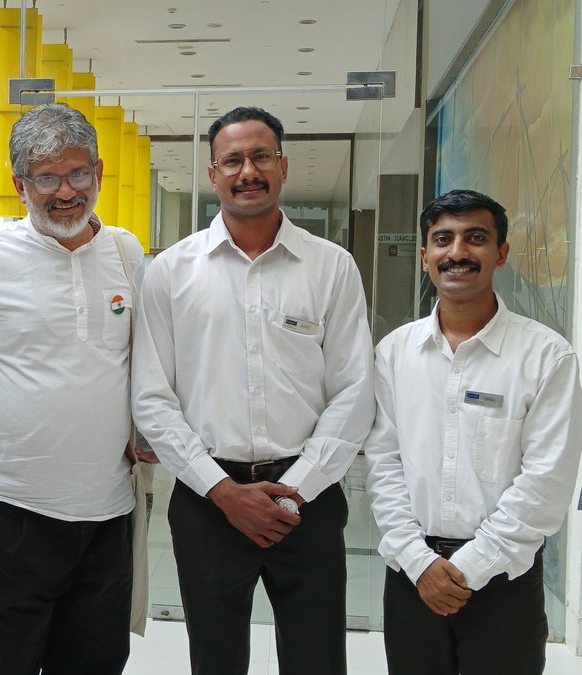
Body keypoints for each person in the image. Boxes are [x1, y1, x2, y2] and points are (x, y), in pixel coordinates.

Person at [131, 106, 375, 674]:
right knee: (215, 660)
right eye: (233, 160)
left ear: (283, 166)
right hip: (207, 500)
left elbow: (354, 390)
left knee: (317, 660)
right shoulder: (170, 271)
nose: (248, 171)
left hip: (308, 500)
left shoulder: (331, 267)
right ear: (213, 174)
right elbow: (151, 396)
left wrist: (295, 490)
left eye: (261, 157)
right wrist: (222, 491)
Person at [0, 102, 147, 675]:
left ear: (98, 173)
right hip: (11, 513)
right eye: (47, 178)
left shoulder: (127, 253)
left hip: (108, 514)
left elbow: (148, 360)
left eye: (78, 174)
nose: (65, 192)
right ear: (20, 185)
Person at [364, 189, 582, 674]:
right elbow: (383, 464)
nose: (457, 252)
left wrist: (470, 567)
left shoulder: (547, 356)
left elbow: (546, 481)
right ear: (425, 256)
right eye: (443, 239)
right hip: (412, 574)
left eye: (476, 238)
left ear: (501, 254)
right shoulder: (394, 353)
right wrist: (420, 562)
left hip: (503, 579)